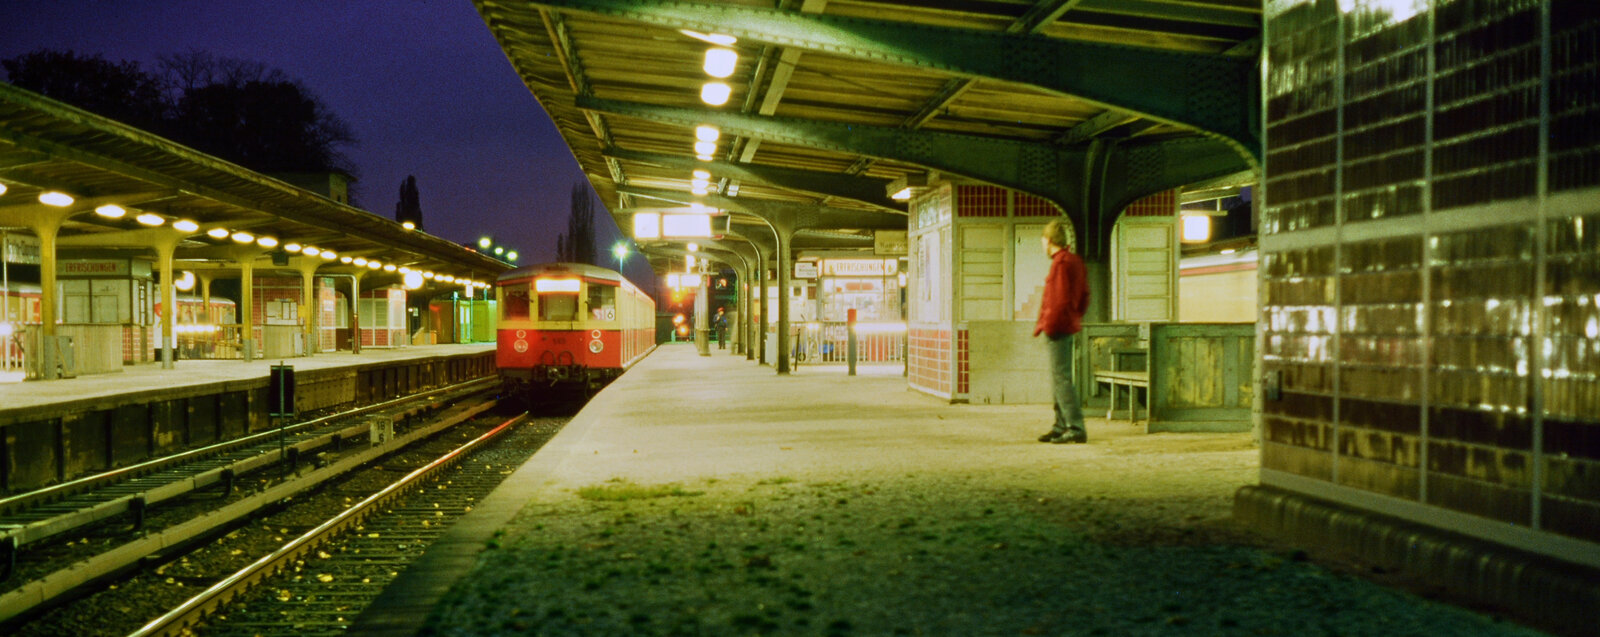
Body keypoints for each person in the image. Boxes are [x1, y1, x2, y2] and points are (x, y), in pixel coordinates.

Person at [1034, 220, 1090, 444]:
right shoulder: (1075, 261)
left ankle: (1075, 427)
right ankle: (1060, 425)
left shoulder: (1060, 264)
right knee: (1060, 377)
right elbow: (1085, 295)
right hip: (1067, 324)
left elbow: (1057, 300)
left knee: (1062, 378)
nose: (1043, 246)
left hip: (1057, 327)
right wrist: (1075, 316)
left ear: (1049, 241)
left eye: (1043, 241)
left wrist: (1049, 324)